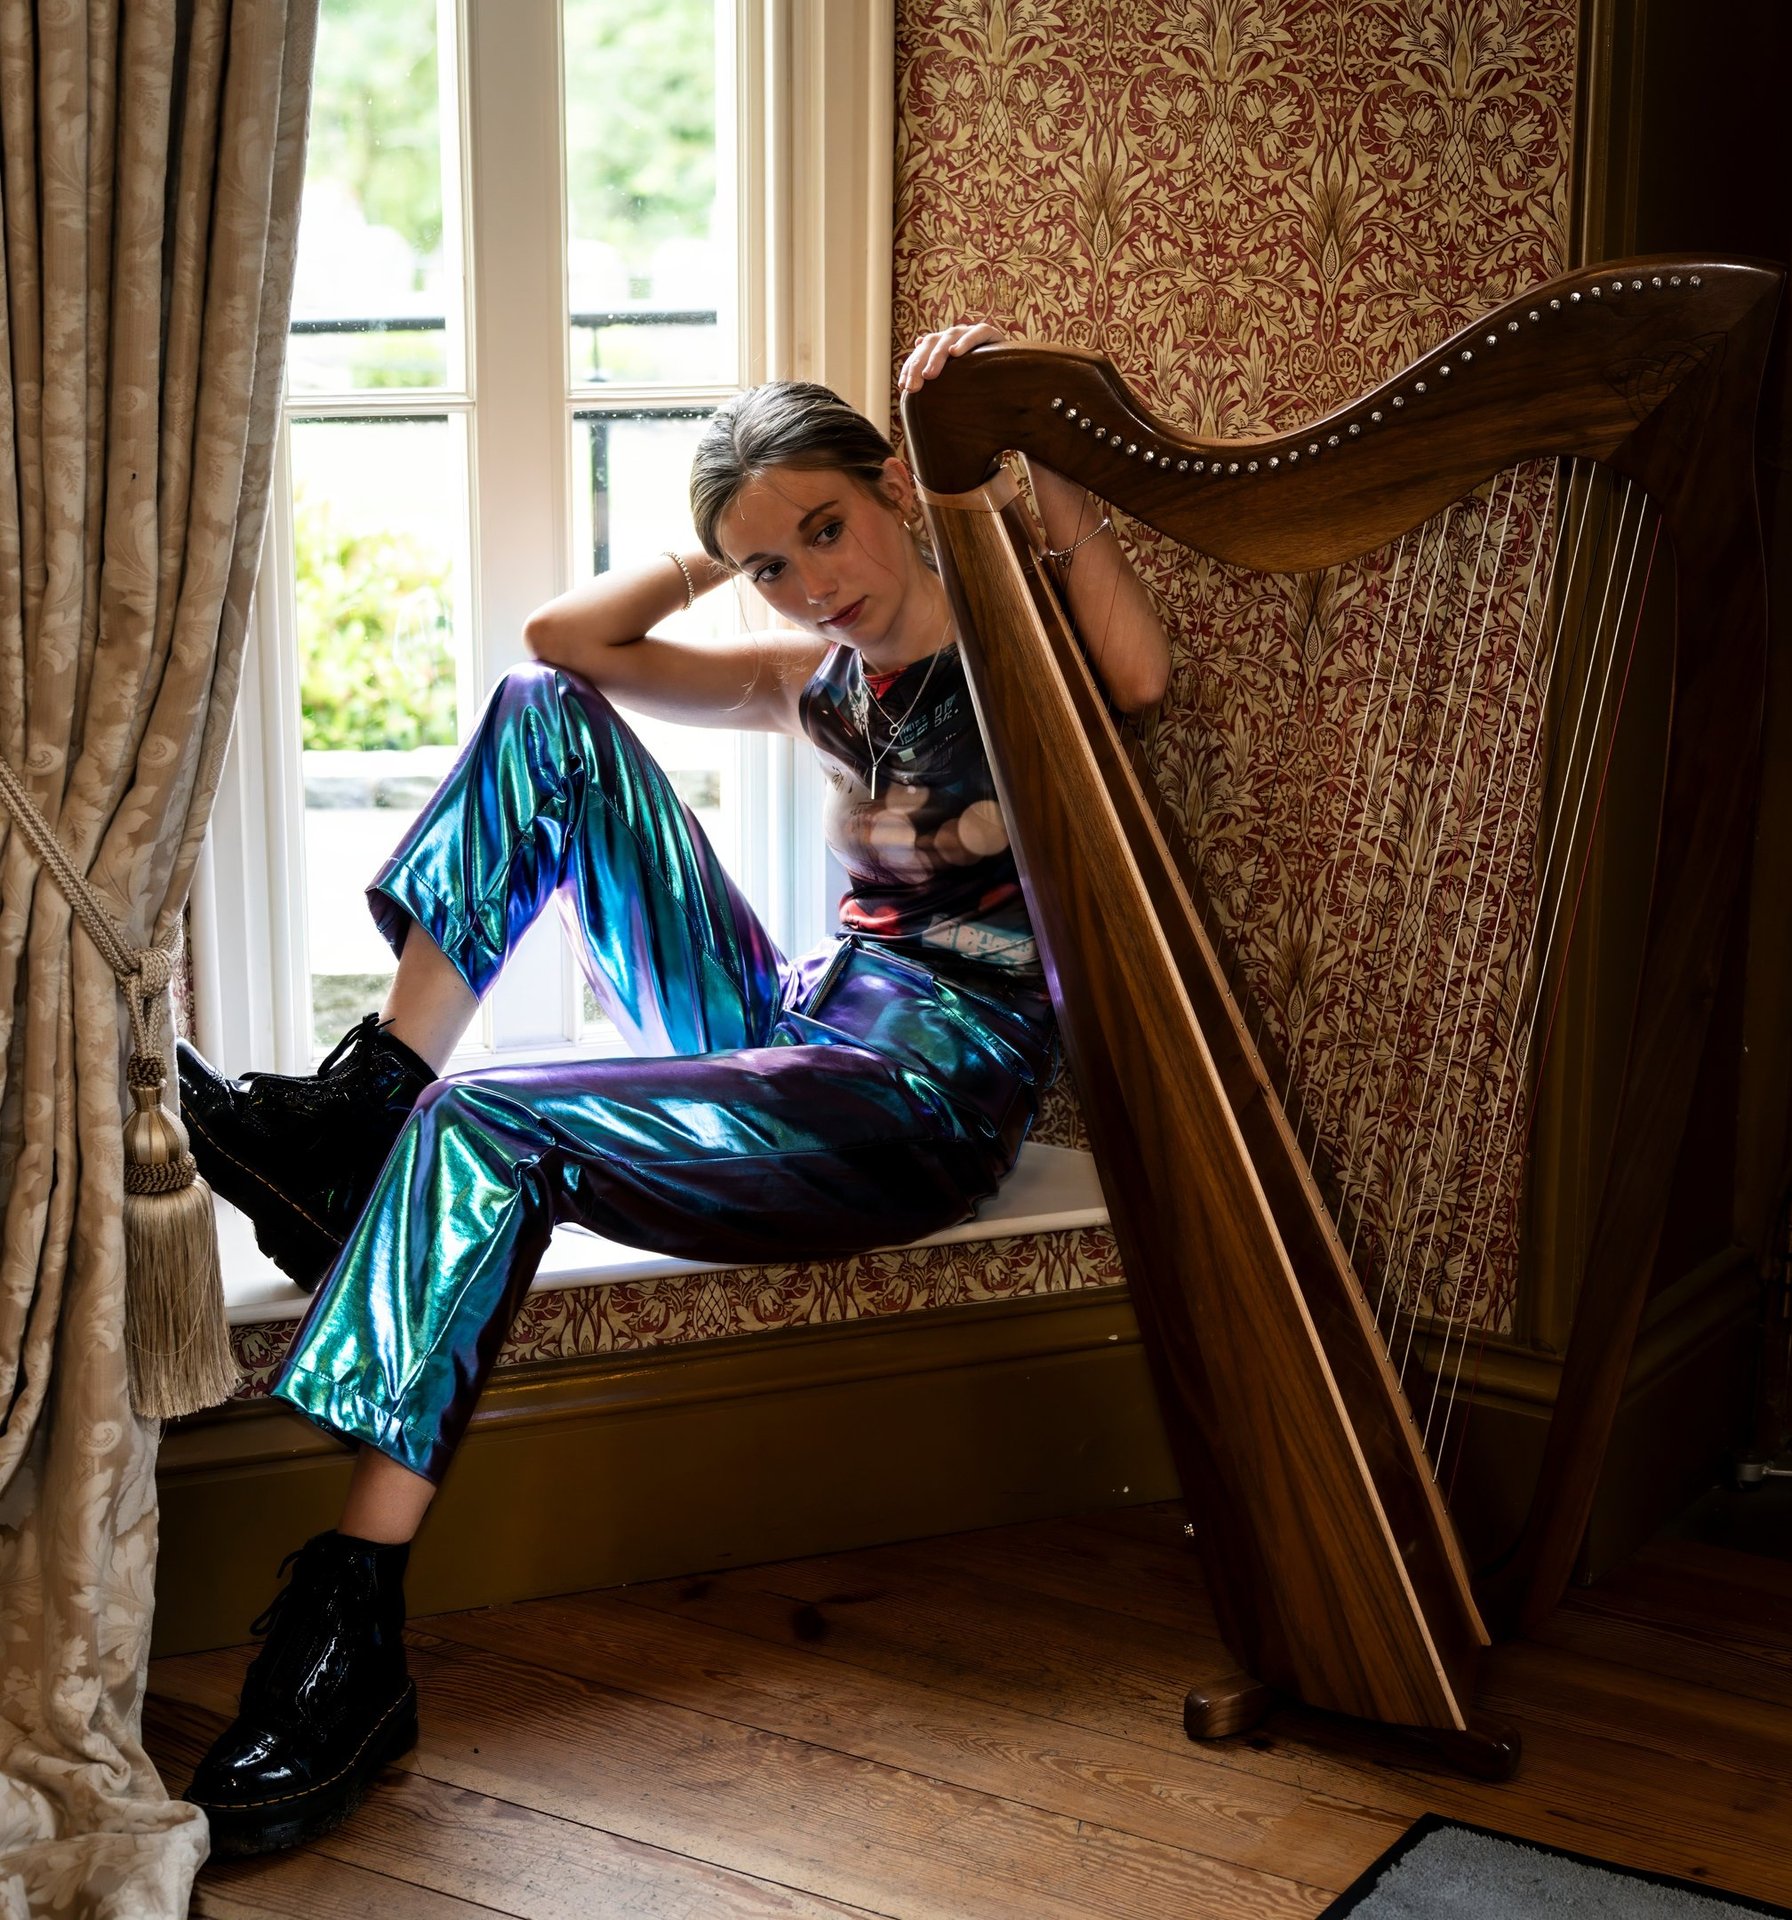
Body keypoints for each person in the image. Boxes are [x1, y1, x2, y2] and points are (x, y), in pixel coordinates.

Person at [175, 323, 1170, 1857]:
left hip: (924, 1094)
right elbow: (569, 641)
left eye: (825, 528)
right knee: (538, 717)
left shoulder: (1009, 640)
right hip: (807, 1026)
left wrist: (1058, 501)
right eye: (775, 566)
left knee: (495, 1123)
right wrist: (730, 548)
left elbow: (1142, 675)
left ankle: (351, 1624)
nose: (811, 581)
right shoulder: (820, 677)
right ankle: (364, 1104)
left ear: (895, 487)